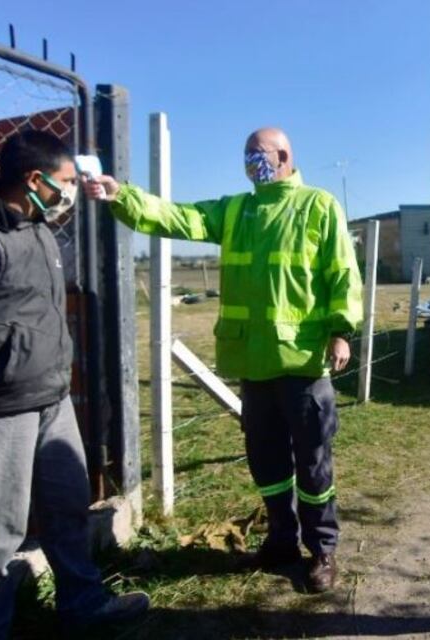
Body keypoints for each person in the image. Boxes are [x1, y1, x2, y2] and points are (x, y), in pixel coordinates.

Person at [84, 127, 363, 593]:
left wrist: (341, 331)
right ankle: (281, 541)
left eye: (259, 153)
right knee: (267, 463)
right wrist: (122, 196)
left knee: (313, 463)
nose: (251, 161)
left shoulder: (318, 205)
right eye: (247, 154)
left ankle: (322, 550)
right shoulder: (235, 210)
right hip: (252, 362)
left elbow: (343, 272)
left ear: (284, 156)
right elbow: (178, 216)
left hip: (303, 363)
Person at [0, 130, 150, 639]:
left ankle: (83, 605)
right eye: (66, 183)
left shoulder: (39, 229)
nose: (70, 194)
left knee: (67, 509)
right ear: (35, 180)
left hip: (52, 402)